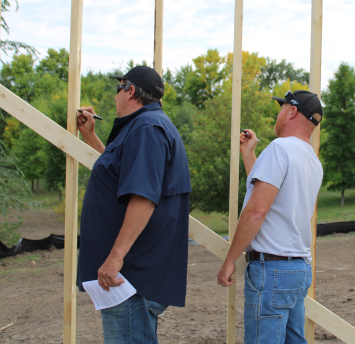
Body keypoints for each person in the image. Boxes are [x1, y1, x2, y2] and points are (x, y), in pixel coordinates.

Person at [76, 66, 191, 344]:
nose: (114, 96)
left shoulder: (147, 130)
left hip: (129, 278)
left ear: (129, 90)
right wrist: (91, 137)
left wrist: (115, 259)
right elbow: (125, 175)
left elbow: (143, 197)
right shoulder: (144, 128)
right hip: (131, 275)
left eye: (118, 88)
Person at [217, 90, 323, 344]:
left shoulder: (279, 149)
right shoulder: (312, 160)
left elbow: (256, 211)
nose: (278, 114)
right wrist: (249, 154)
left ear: (292, 111)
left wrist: (230, 260)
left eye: (281, 108)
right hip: (298, 269)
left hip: (272, 271)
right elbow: (270, 194)